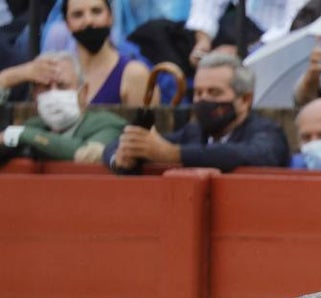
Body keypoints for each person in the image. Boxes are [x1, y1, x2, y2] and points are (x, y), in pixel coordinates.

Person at [105, 51, 290, 172]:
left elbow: (247, 155)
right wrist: (124, 155)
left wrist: (172, 154)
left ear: (244, 99)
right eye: (198, 92)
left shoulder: (267, 132)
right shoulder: (193, 132)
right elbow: (113, 146)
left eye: (214, 92)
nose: (203, 100)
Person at [0, 51, 126, 163]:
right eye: (45, 86)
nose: (53, 93)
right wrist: (6, 79)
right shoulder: (33, 126)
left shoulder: (108, 124)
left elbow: (82, 153)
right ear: (34, 96)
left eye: (62, 86)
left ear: (83, 93)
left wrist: (21, 135)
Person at [64, 0, 154, 106]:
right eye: (78, 15)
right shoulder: (59, 77)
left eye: (96, 11)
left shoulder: (134, 75)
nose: (88, 21)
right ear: (67, 24)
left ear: (111, 17)